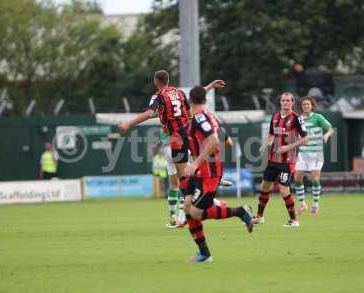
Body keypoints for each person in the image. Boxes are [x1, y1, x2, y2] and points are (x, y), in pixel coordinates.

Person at [118, 70, 225, 208]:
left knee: (183, 178)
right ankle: (206, 183)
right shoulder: (179, 92)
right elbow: (195, 97)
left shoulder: (158, 96)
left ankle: (206, 201)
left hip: (176, 138)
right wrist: (210, 86)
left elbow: (149, 113)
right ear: (168, 80)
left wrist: (128, 124)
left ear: (156, 81)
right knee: (189, 170)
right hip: (189, 133)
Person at [183, 85, 254, 263]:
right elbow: (227, 141)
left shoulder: (199, 118)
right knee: (187, 208)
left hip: (207, 172)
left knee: (196, 213)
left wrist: (198, 161)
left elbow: (214, 140)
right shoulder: (209, 116)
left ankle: (240, 212)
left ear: (190, 101)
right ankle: (204, 253)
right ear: (206, 100)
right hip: (199, 171)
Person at [255, 92, 308, 227]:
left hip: (287, 161)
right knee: (264, 186)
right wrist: (265, 143)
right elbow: (271, 134)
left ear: (292, 102)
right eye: (283, 100)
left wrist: (287, 147)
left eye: (288, 101)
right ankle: (259, 217)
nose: (285, 103)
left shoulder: (297, 118)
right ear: (280, 102)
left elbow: (306, 138)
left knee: (283, 190)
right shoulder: (275, 116)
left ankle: (294, 220)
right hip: (273, 159)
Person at [294, 96, 333, 215]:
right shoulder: (299, 119)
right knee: (297, 179)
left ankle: (315, 204)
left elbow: (330, 129)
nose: (306, 106)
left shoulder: (318, 117)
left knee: (315, 179)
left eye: (308, 104)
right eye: (304, 104)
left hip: (316, 154)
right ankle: (302, 204)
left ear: (312, 106)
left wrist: (326, 135)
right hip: (302, 154)